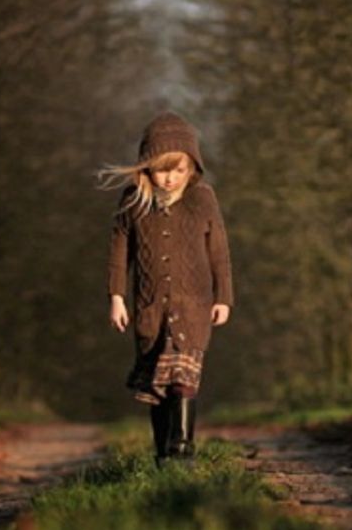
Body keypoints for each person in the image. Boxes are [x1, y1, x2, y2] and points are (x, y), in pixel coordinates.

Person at [96, 111, 234, 466]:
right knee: (155, 387)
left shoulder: (203, 198)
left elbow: (219, 251)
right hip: (149, 308)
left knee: (183, 377)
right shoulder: (132, 201)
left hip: (194, 305)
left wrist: (224, 298)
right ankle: (163, 455)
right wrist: (116, 297)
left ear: (191, 168)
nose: (170, 178)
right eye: (162, 169)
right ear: (146, 167)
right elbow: (118, 252)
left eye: (178, 170)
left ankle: (183, 449)